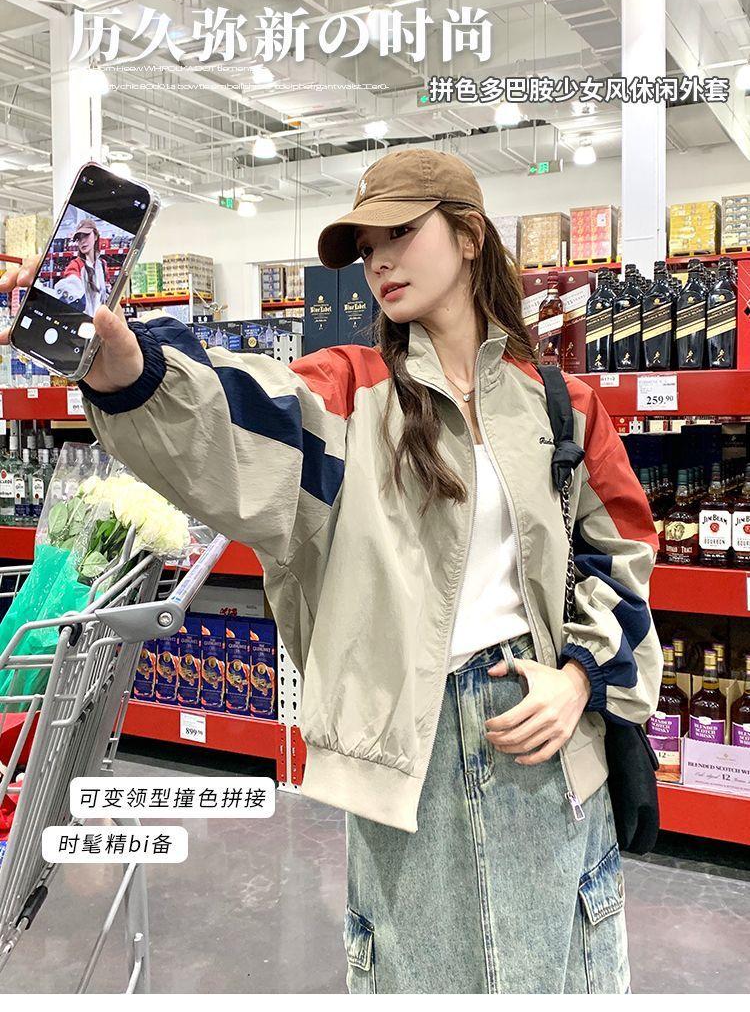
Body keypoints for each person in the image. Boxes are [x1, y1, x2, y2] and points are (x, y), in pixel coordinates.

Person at [0, 149, 661, 995]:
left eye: (400, 232)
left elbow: (620, 551)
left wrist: (580, 678)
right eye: (366, 246)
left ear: (468, 236)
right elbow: (234, 420)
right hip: (405, 762)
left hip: (550, 752)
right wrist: (121, 361)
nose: (379, 260)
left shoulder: (559, 403)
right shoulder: (350, 395)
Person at [49, 218, 110, 316]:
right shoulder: (76, 265)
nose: (82, 241)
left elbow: (106, 290)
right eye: (79, 238)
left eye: (86, 235)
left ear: (95, 236)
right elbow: (70, 282)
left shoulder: (102, 264)